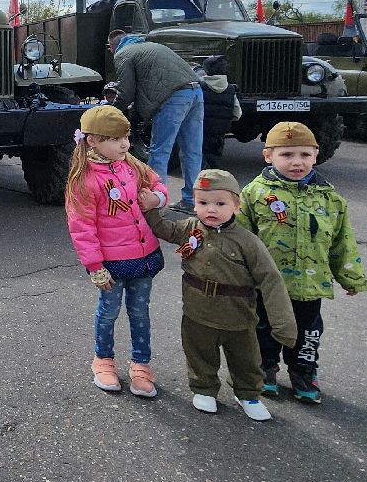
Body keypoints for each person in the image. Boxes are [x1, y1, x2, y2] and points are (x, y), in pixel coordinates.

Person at [140, 170, 296, 420]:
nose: (210, 209)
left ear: (236, 205)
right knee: (199, 354)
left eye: (220, 203)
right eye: (203, 203)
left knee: (245, 359)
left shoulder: (247, 242)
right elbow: (165, 229)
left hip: (238, 317)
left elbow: (271, 281)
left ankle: (247, 394)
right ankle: (204, 389)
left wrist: (283, 324)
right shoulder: (191, 227)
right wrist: (150, 208)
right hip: (197, 313)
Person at [239, 121, 367, 405]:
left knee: (307, 332)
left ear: (316, 154)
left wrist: (351, 277)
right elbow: (240, 238)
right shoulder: (254, 193)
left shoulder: (329, 198)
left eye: (304, 155)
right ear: (268, 156)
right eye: (286, 155)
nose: (297, 162)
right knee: (263, 328)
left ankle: (303, 372)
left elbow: (341, 241)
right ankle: (265, 369)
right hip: (267, 283)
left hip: (310, 283)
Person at [65, 104, 167, 398]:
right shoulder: (84, 180)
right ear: (93, 141)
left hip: (143, 256)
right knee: (108, 313)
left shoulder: (133, 165)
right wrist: (95, 266)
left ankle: (141, 365)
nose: (124, 144)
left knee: (140, 313)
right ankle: (103, 360)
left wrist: (156, 200)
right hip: (110, 264)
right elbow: (81, 228)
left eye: (126, 137)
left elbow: (158, 185)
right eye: (115, 139)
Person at [108, 29, 205, 211]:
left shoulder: (122, 54)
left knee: (160, 151)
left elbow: (126, 92)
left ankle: (155, 202)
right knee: (192, 150)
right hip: (196, 92)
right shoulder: (152, 46)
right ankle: (191, 201)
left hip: (173, 98)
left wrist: (110, 111)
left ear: (111, 48)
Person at [197, 54, 242, 171]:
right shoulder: (231, 89)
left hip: (203, 128)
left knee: (201, 156)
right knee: (215, 156)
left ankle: (204, 181)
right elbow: (237, 114)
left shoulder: (201, 86)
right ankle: (216, 178)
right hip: (221, 131)